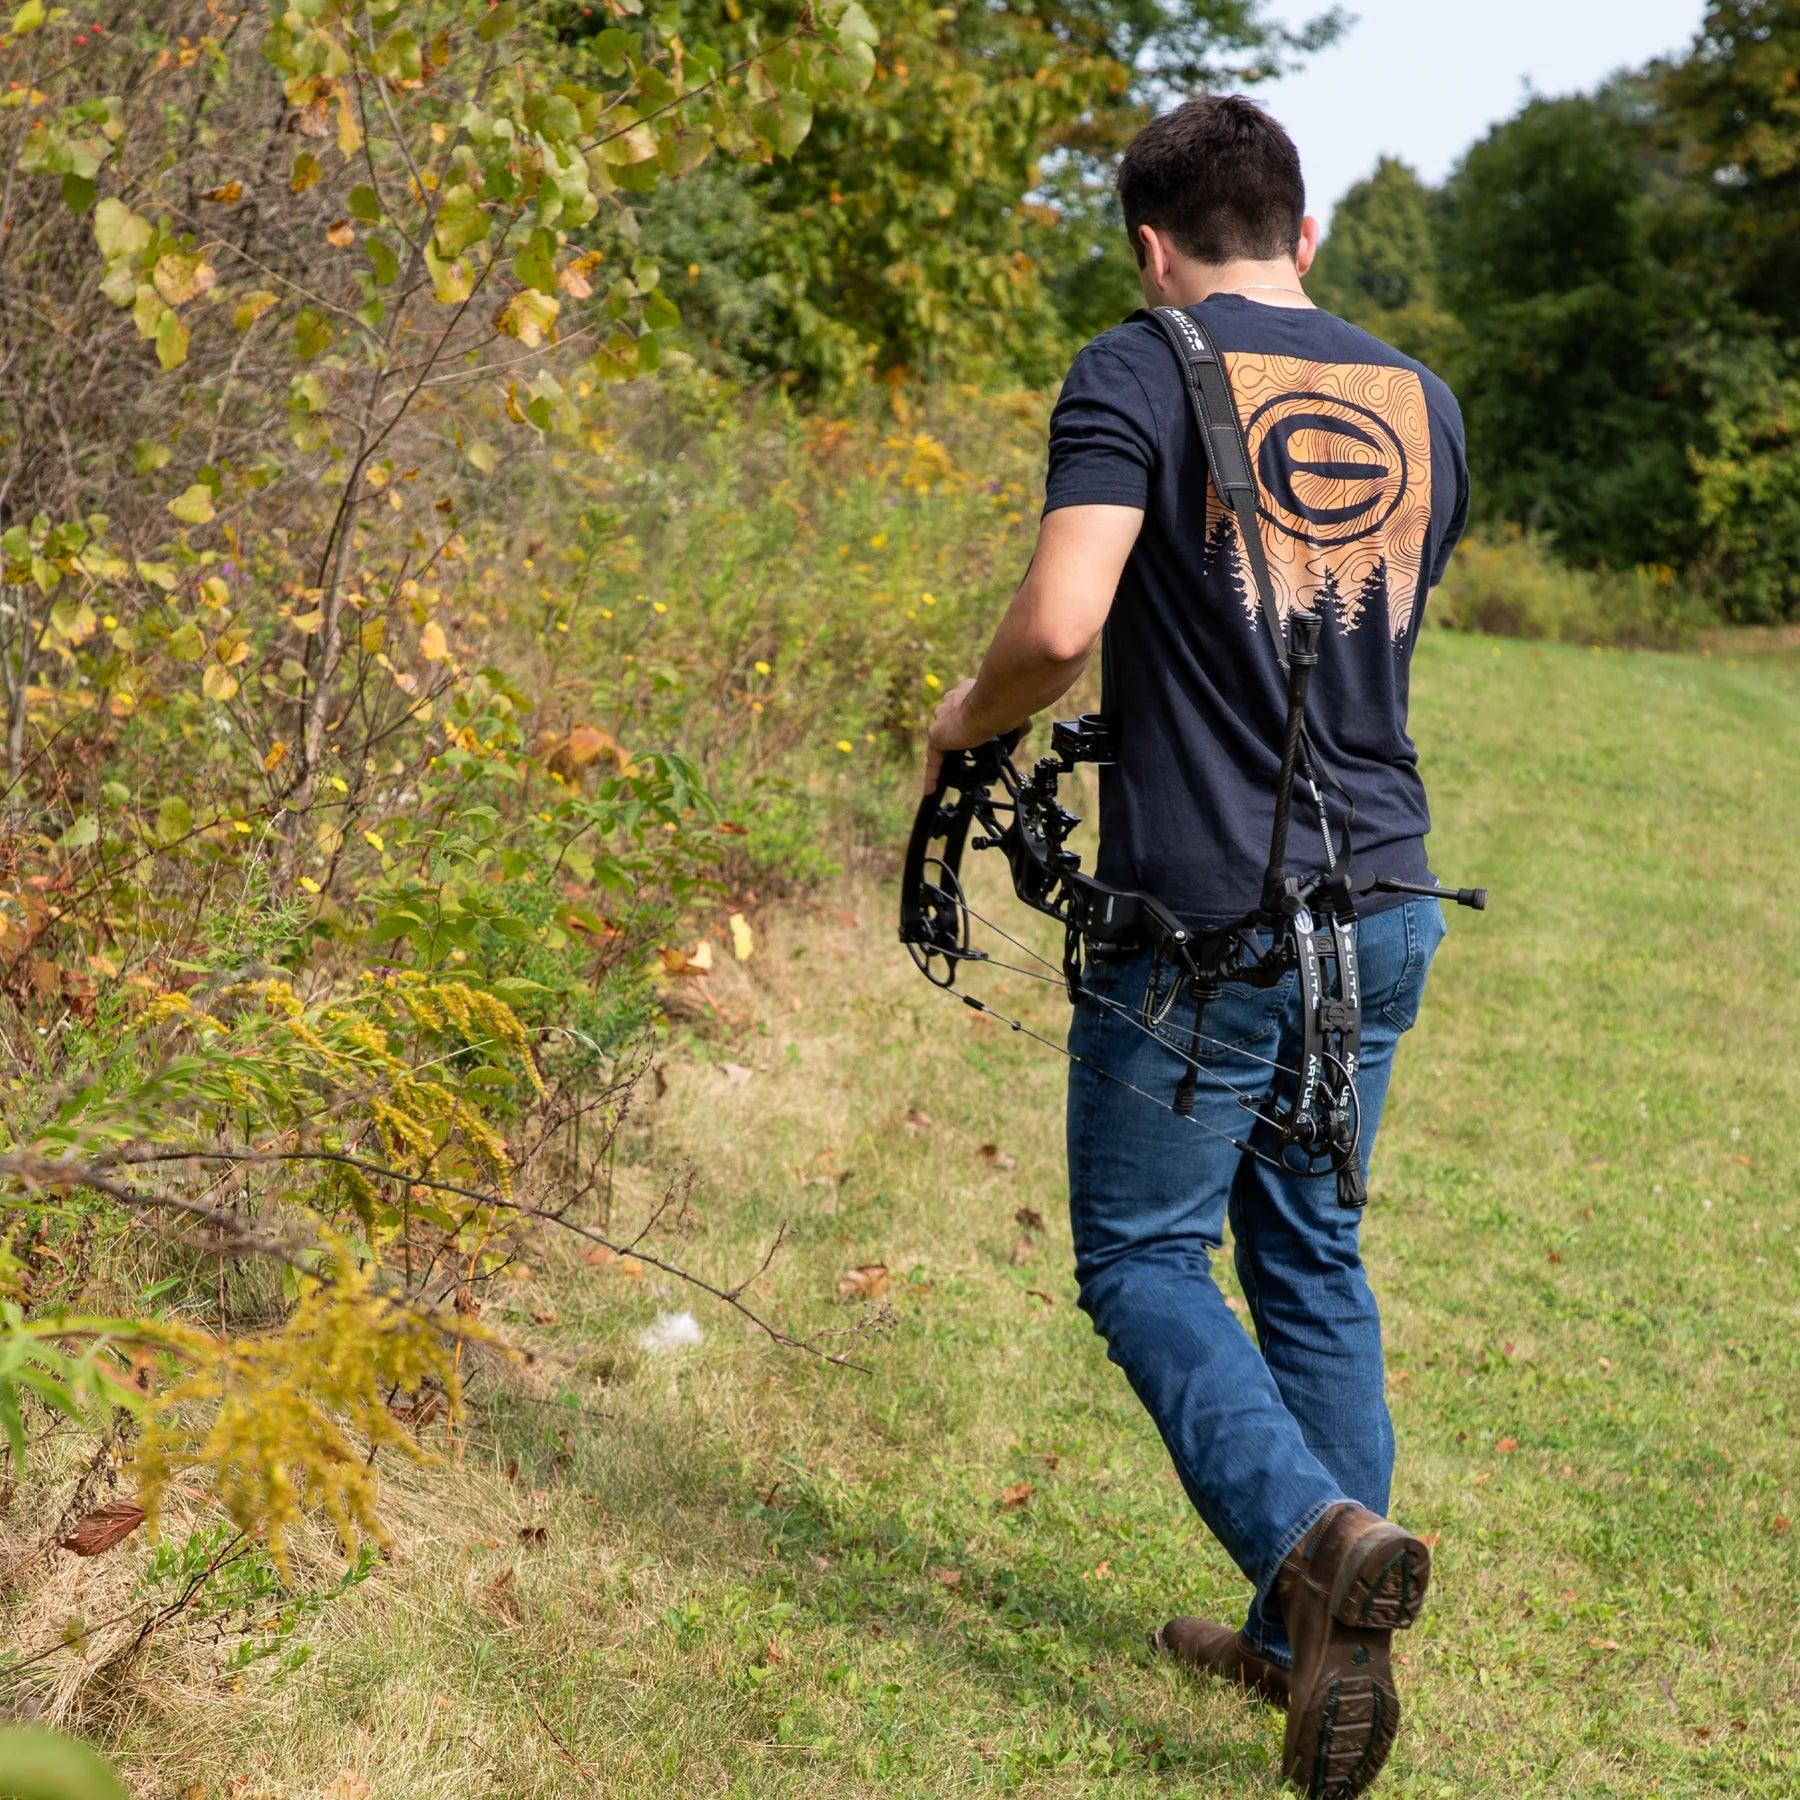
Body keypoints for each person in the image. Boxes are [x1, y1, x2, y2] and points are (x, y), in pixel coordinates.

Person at [923, 96, 1469, 1799]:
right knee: (1310, 1251)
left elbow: (1065, 623)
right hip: (1382, 904)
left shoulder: (1141, 364)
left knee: (1144, 1260)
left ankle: (1312, 1544)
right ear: (1303, 236)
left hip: (1207, 924)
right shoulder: (1423, 399)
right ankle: (1307, 1646)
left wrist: (958, 722)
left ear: (1153, 250)